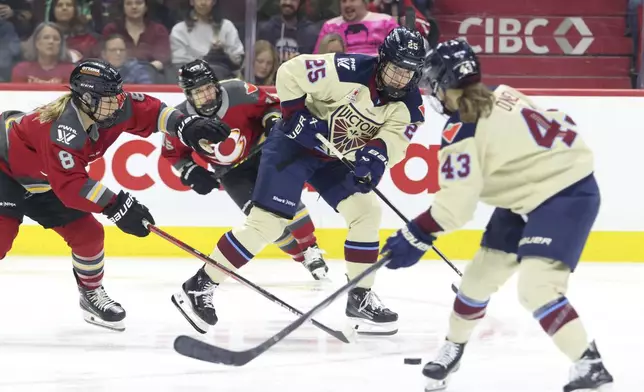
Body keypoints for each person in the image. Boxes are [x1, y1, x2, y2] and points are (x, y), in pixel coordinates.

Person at [381, 39, 614, 392]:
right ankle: (453, 348)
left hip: (563, 196)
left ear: (444, 82)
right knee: (476, 280)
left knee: (537, 288)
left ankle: (589, 364)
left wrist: (415, 234)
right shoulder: (503, 93)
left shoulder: (463, 129)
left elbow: (455, 209)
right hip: (528, 196)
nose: (432, 91)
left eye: (433, 82)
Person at [171, 27, 426, 336]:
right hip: (294, 144)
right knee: (267, 224)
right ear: (382, 60)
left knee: (366, 211)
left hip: (335, 157)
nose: (400, 79)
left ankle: (360, 297)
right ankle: (199, 285)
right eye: (395, 69)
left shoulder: (411, 104)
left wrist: (376, 156)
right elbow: (292, 71)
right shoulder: (347, 69)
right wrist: (294, 112)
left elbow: (395, 139)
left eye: (408, 73)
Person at [0, 59, 230, 332]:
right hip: (5, 171)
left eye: (119, 94)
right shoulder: (62, 129)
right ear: (86, 98)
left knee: (89, 235)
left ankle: (90, 295)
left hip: (44, 179)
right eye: (111, 98)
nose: (119, 102)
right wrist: (117, 205)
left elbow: (153, 111)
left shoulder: (109, 108)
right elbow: (72, 187)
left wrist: (185, 125)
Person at [161, 59, 329, 289]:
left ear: (216, 84)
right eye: (199, 92)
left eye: (209, 87)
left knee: (286, 203)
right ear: (188, 95)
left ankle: (311, 250)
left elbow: (271, 106)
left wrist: (272, 122)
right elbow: (172, 153)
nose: (207, 96)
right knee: (262, 224)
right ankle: (302, 259)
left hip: (262, 155)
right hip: (231, 174)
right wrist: (190, 171)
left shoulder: (238, 91)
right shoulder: (180, 119)